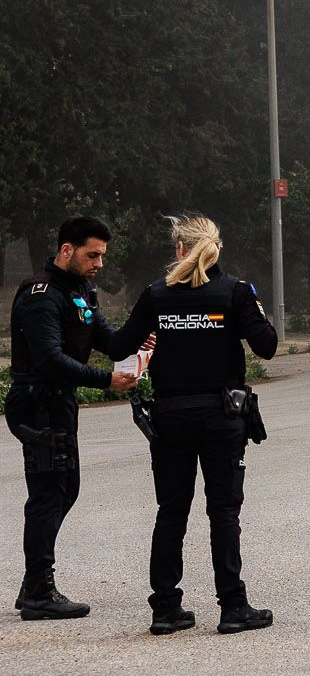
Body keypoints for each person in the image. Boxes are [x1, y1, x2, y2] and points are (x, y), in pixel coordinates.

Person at [105, 216, 278, 636]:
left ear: (180, 248)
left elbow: (118, 346)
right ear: (216, 249)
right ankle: (233, 607)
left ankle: (165, 609)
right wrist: (245, 315)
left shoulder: (156, 294)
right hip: (222, 417)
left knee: (171, 511)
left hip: (170, 417)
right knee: (223, 512)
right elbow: (267, 347)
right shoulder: (235, 291)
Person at [6, 215, 139, 619]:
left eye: (102, 255)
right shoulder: (41, 295)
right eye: (92, 255)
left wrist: (143, 334)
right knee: (48, 494)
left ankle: (33, 582)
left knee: (66, 490)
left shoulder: (81, 290)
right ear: (67, 250)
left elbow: (110, 340)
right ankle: (38, 591)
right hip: (37, 403)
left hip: (59, 403)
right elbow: (49, 359)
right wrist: (106, 380)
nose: (99, 263)